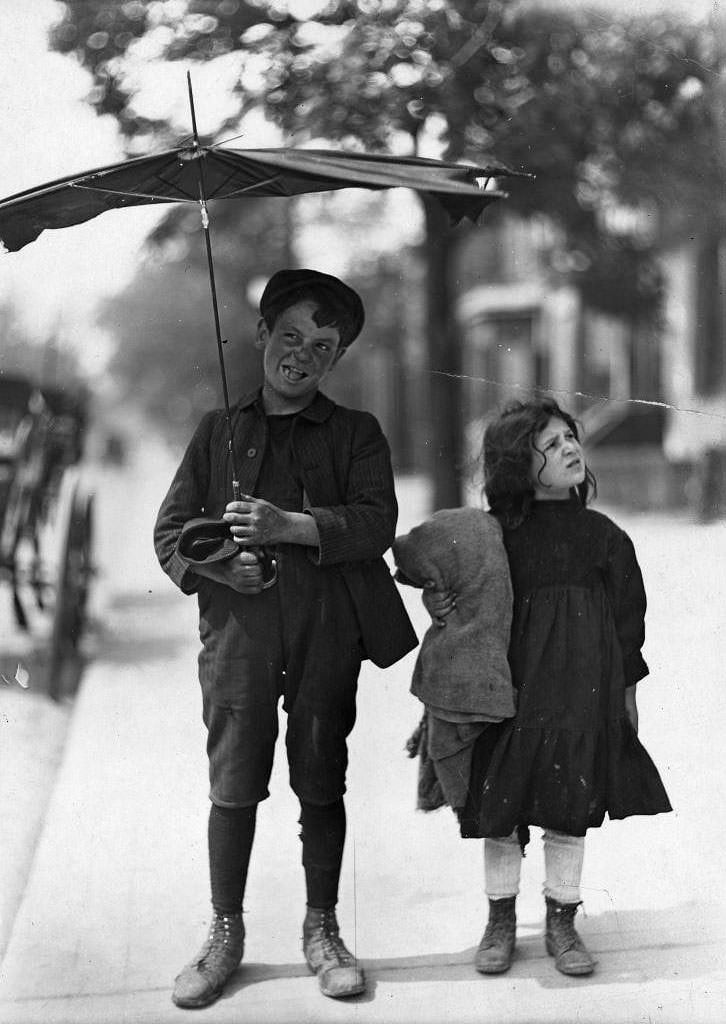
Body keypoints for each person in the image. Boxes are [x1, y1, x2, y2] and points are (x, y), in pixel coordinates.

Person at [154, 268, 417, 1009]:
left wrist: (288, 527)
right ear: (263, 335)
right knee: (233, 784)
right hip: (238, 635)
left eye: (323, 345)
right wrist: (221, 567)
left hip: (325, 630)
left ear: (336, 360)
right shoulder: (218, 432)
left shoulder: (357, 434)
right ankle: (224, 935)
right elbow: (172, 533)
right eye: (291, 335)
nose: (302, 354)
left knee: (319, 776)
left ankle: (323, 929)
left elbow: (375, 524)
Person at [423, 397, 671, 978]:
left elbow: (627, 625)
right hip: (510, 697)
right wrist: (437, 597)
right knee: (501, 808)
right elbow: (454, 594)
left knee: (569, 807)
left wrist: (626, 697)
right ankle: (500, 920)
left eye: (570, 438)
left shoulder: (604, 537)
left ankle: (563, 919)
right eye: (552, 444)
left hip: (579, 698)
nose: (570, 448)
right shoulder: (493, 538)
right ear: (515, 465)